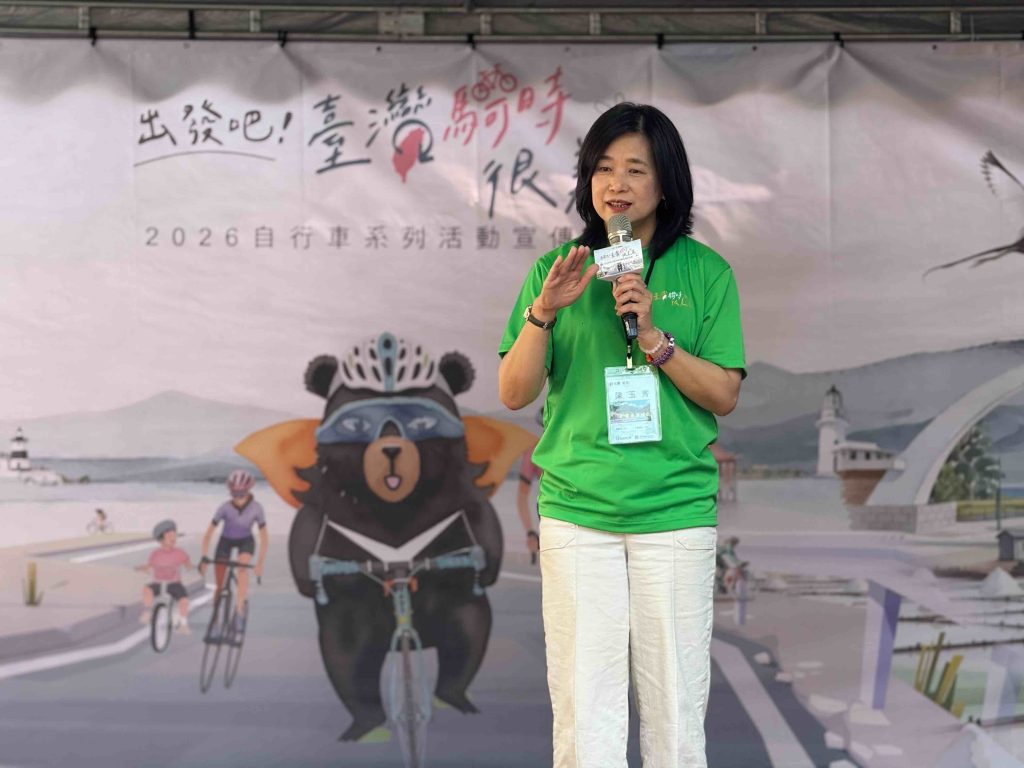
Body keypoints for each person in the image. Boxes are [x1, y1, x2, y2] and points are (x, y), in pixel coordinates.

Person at [498, 102, 746, 768]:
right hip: (578, 512)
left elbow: (723, 393)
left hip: (674, 513)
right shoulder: (557, 271)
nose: (617, 184)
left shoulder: (705, 273)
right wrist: (543, 313)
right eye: (603, 168)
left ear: (666, 183)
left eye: (636, 169)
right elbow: (514, 392)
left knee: (675, 719)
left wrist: (657, 340)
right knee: (585, 720)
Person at [199, 469, 268, 634]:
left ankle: (239, 611)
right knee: (219, 584)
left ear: (249, 490)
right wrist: (204, 556)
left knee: (242, 569)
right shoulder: (224, 508)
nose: (238, 498)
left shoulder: (257, 508)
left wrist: (260, 563)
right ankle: (216, 619)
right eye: (234, 494)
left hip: (246, 541)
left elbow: (264, 537)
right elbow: (208, 534)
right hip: (225, 540)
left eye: (242, 494)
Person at [137, 519, 193, 634]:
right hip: (158, 583)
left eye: (174, 536)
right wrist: (143, 568)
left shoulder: (180, 552)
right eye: (169, 537)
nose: (173, 539)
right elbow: (150, 565)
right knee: (147, 589)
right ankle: (148, 612)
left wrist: (190, 566)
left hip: (174, 583)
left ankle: (183, 624)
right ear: (161, 539)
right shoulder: (155, 554)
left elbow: (188, 564)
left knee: (183, 600)